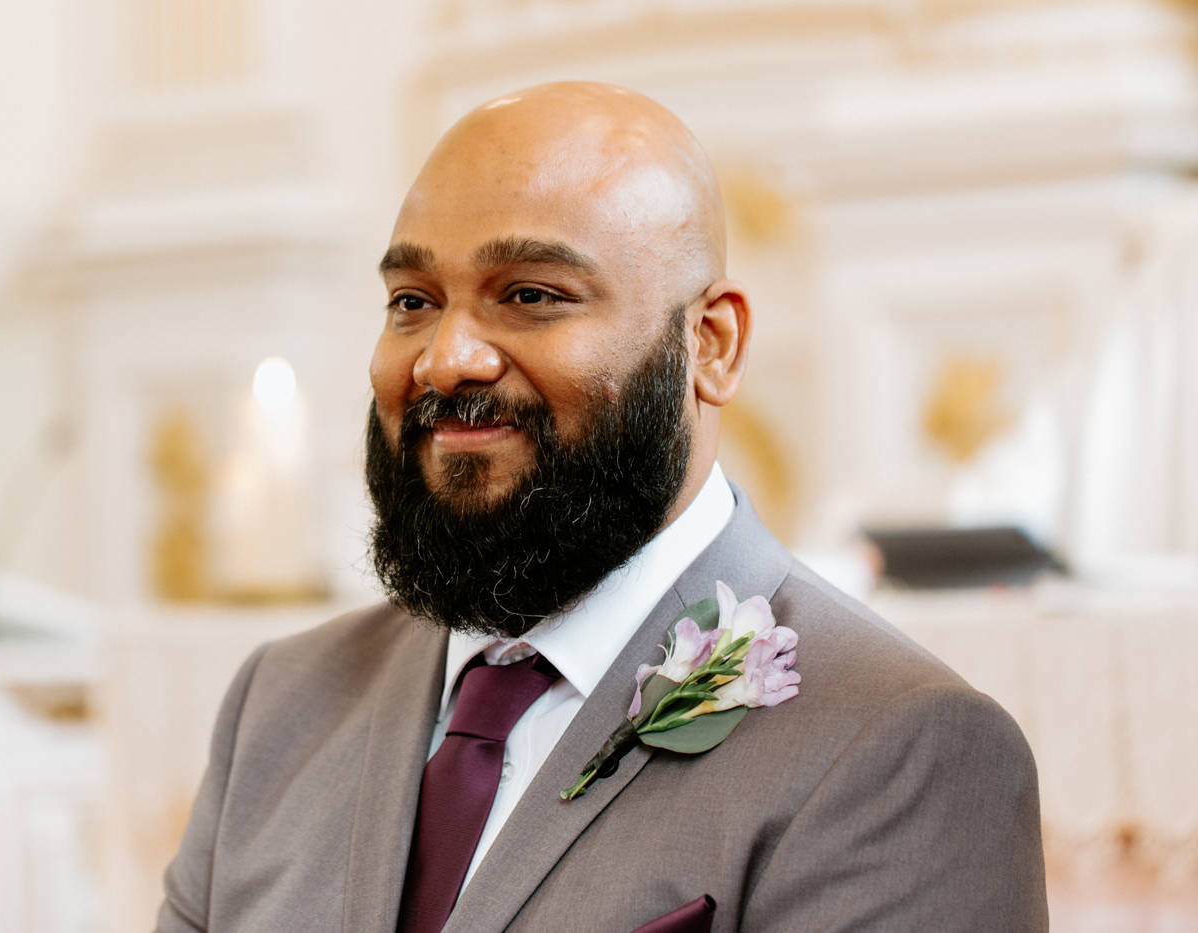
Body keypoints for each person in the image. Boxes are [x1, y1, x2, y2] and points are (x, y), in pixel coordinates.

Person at [156, 82, 1047, 933]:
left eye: (532, 295)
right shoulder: (279, 704)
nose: (445, 359)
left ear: (711, 343)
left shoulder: (900, 747)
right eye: (412, 302)